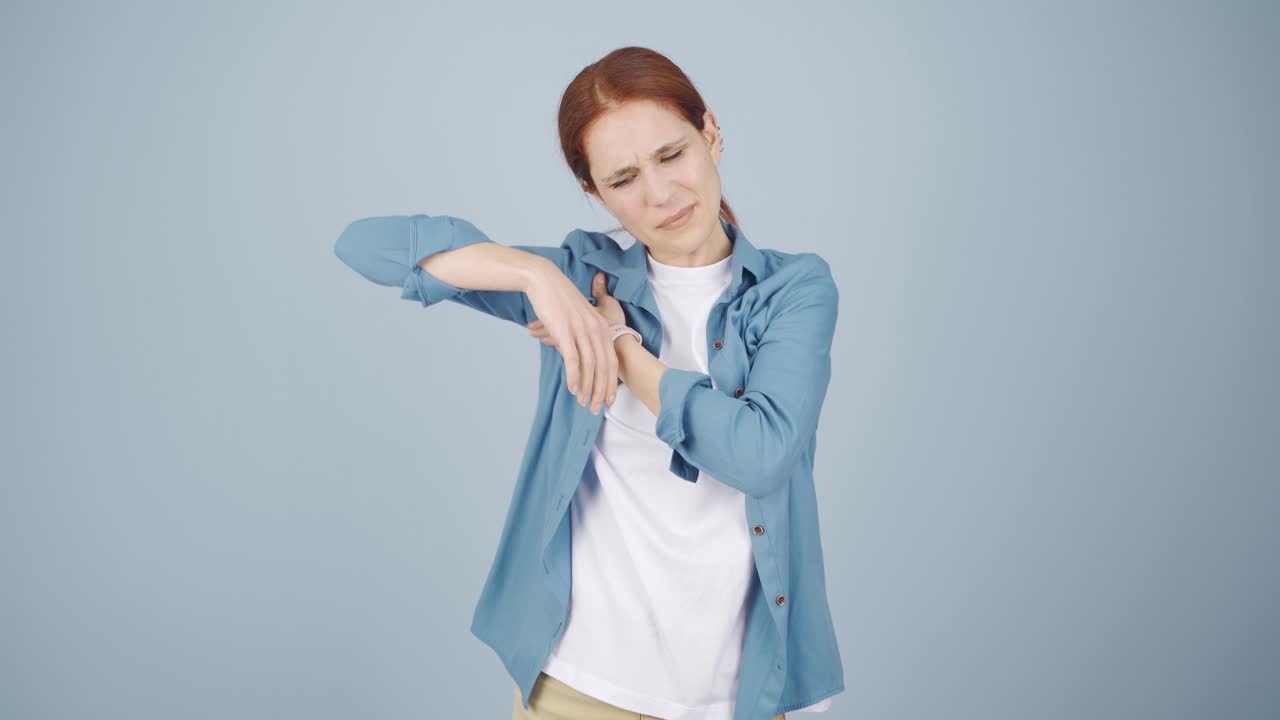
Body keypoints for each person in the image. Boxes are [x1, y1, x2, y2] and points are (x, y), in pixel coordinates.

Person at [334, 46, 843, 720]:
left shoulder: (793, 290)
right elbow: (364, 246)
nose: (660, 194)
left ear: (711, 134)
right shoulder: (578, 281)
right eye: (624, 177)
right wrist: (535, 277)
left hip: (744, 697)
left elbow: (759, 454)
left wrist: (619, 347)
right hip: (580, 689)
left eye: (672, 155)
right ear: (594, 192)